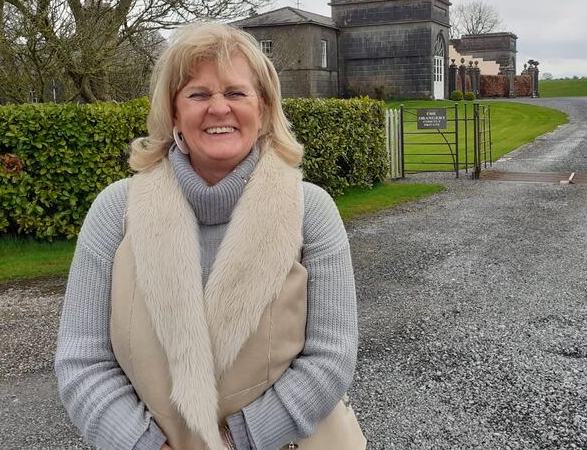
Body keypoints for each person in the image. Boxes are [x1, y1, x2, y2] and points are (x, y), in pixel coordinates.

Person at [55, 23, 366, 450]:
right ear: (174, 113)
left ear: (263, 109)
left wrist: (237, 441)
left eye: (236, 93)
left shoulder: (311, 210)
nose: (219, 108)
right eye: (198, 95)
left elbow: (331, 357)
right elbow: (82, 361)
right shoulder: (115, 211)